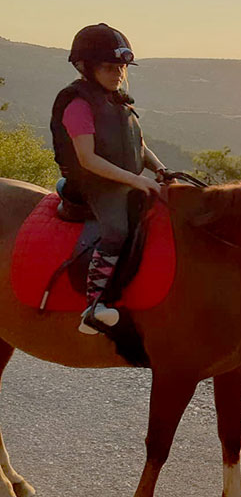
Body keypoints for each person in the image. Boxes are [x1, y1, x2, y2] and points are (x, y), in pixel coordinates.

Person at [50, 23, 169, 335]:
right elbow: (87, 159)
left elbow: (138, 146)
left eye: (121, 67)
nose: (117, 74)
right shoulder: (77, 104)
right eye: (108, 67)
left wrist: (159, 169)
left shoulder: (119, 102)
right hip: (93, 184)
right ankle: (94, 306)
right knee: (116, 228)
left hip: (122, 179)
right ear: (86, 68)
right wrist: (134, 180)